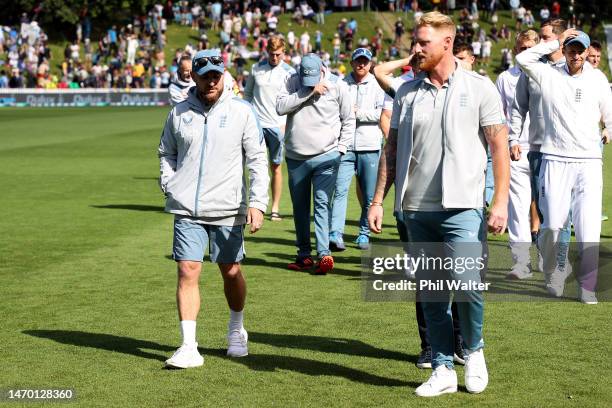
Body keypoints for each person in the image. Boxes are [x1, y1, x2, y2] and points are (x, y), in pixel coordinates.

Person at [368, 12, 509, 397]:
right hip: (416, 208)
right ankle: (444, 368)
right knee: (431, 291)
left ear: (447, 43)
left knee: (467, 284)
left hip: (464, 206)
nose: (415, 49)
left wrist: (499, 201)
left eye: (422, 43)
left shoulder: (481, 88)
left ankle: (474, 351)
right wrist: (379, 198)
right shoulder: (407, 92)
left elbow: (499, 146)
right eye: (414, 41)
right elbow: (392, 148)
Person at [158, 49, 270, 368]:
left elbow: (258, 159)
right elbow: (166, 153)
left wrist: (258, 203)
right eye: (204, 75)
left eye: (215, 75)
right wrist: (170, 183)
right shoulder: (178, 113)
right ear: (192, 76)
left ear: (223, 75)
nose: (211, 81)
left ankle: (236, 328)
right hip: (187, 207)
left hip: (228, 206)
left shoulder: (242, 111)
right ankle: (189, 346)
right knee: (187, 269)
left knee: (231, 270)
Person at [516, 29, 612, 304]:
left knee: (587, 226)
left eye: (581, 50)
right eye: (571, 48)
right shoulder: (549, 74)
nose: (577, 54)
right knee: (552, 227)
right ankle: (553, 272)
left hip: (589, 162)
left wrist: (607, 132)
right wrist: (553, 43)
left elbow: (610, 114)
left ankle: (587, 285)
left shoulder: (597, 78)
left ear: (586, 52)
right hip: (554, 159)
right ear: (565, 49)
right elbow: (524, 58)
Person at [276, 53, 355, 274]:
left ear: (322, 69)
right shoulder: (292, 80)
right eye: (304, 79)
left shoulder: (338, 85)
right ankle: (303, 255)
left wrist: (341, 149)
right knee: (300, 209)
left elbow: (348, 119)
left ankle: (323, 254)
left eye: (311, 80)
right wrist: (307, 91)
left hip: (327, 156)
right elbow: (280, 107)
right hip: (296, 157)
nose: (307, 83)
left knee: (321, 204)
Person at [509, 18, 569, 277]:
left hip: (567, 152)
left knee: (560, 212)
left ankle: (560, 263)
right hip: (537, 149)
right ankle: (549, 261)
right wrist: (513, 138)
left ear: (560, 39)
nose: (542, 42)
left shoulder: (574, 69)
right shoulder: (531, 69)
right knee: (544, 212)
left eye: (545, 37)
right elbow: (518, 107)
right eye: (544, 38)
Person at [329, 48, 385, 251]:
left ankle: (363, 233)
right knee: (340, 190)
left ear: (370, 64)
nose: (361, 64)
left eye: (365, 61)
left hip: (369, 145)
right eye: (358, 61)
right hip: (344, 146)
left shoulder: (378, 84)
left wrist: (356, 113)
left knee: (369, 195)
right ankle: (335, 233)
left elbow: (381, 114)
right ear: (351, 63)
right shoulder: (341, 83)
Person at [495, 29, 539, 279]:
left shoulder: (550, 74)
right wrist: (505, 143)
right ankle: (521, 263)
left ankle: (550, 256)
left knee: (549, 208)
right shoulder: (505, 78)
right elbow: (499, 115)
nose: (526, 53)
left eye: (530, 48)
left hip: (547, 148)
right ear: (515, 51)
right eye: (522, 49)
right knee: (518, 207)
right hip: (516, 150)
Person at [244, 36, 296, 222]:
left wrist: (285, 123)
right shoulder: (256, 68)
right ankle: (252, 204)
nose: (274, 57)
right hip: (256, 126)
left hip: (277, 126)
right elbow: (248, 95)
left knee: (275, 166)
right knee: (254, 166)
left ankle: (274, 208)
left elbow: (293, 101)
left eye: (278, 54)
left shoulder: (290, 72)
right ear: (266, 52)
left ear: (284, 53)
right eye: (271, 54)